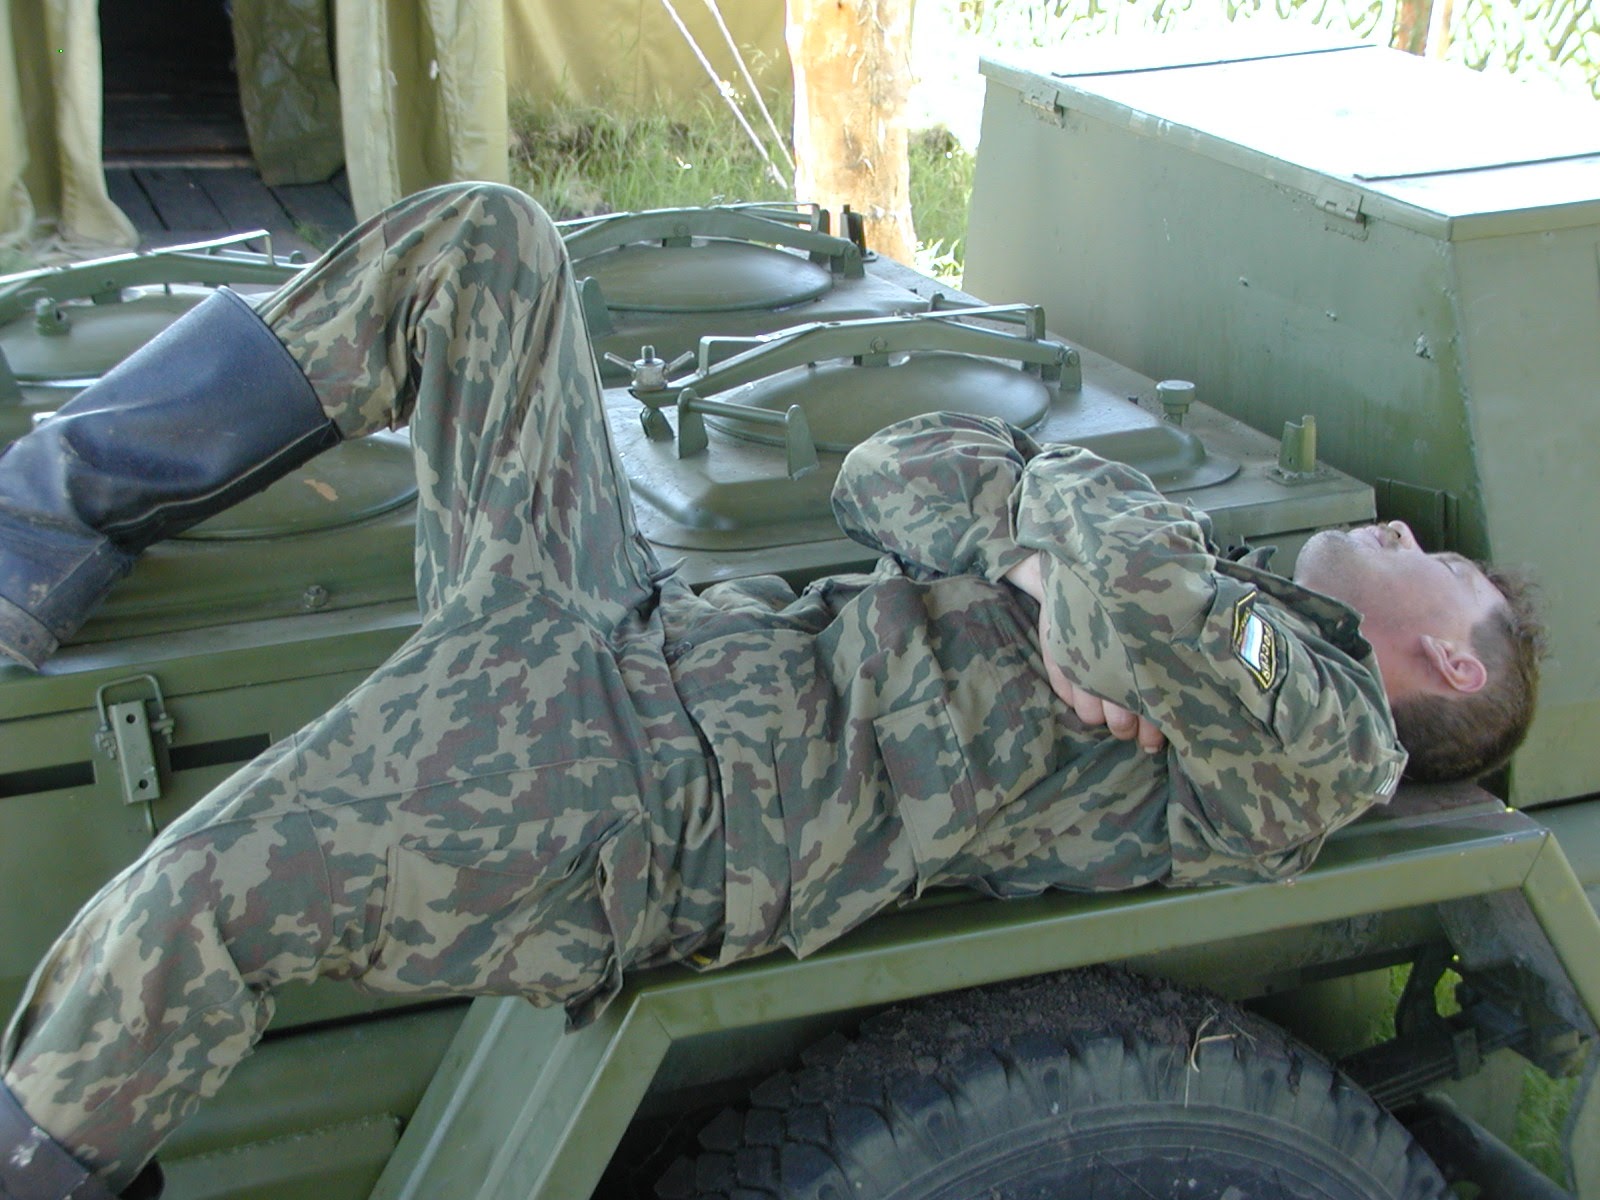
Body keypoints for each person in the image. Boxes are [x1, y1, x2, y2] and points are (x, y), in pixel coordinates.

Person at [0, 183, 1541, 1200]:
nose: (1404, 534)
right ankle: (38, 522)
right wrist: (1031, 554)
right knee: (486, 244)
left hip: (642, 799)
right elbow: (888, 471)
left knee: (181, 918)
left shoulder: (1326, 737)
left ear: (1451, 664)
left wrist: (1065, 546)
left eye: (1436, 563)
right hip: (616, 631)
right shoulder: (1222, 606)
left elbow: (1133, 580)